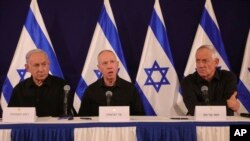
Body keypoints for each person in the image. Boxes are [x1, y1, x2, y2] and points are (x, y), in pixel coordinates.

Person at [78, 50, 144, 116]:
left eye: (112, 62)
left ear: (117, 64)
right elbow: (82, 118)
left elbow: (139, 117)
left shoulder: (130, 89)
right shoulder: (91, 91)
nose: (109, 66)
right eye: (105, 63)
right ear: (99, 68)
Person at [8, 49, 72, 117]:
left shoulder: (62, 86)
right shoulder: (19, 89)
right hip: (27, 127)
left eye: (44, 64)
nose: (41, 69)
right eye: (36, 65)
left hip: (54, 127)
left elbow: (65, 115)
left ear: (49, 64)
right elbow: (11, 115)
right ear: (27, 68)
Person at [181, 45, 240, 116]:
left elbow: (228, 110)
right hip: (198, 124)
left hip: (224, 124)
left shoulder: (228, 78)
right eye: (198, 61)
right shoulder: (188, 81)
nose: (200, 65)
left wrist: (201, 107)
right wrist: (226, 103)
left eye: (205, 61)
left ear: (216, 62)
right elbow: (193, 110)